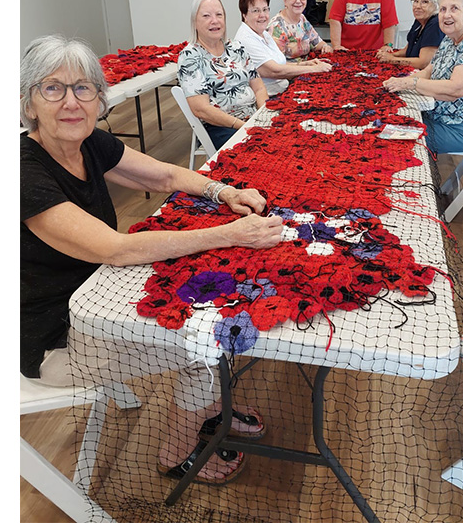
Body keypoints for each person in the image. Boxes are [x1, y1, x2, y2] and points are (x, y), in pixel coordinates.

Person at [20, 34, 284, 484]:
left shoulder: (88, 144)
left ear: (99, 100)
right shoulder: (23, 171)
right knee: (199, 342)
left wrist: (226, 191)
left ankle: (211, 405)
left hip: (98, 294)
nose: (71, 102)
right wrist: (229, 234)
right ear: (29, 104)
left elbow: (163, 173)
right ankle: (176, 453)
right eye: (53, 88)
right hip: (53, 335)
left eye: (83, 89)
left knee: (211, 309)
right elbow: (114, 248)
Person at [381, 0, 463, 154]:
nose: (447, 15)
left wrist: (411, 84)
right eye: (443, 9)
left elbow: (455, 89)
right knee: (387, 122)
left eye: (454, 8)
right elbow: (429, 71)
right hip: (438, 117)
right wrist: (400, 81)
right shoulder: (450, 39)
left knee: (393, 139)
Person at [177, 0, 269, 149]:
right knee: (265, 151)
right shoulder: (190, 56)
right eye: (206, 16)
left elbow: (259, 87)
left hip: (253, 118)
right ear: (195, 22)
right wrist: (242, 126)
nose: (215, 21)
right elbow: (201, 109)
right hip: (221, 127)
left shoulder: (236, 48)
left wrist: (263, 115)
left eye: (219, 14)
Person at [232, 0, 333, 96]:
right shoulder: (247, 39)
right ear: (244, 15)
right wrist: (313, 69)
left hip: (283, 88)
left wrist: (306, 64)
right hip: (269, 96)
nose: (262, 15)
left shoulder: (263, 33)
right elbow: (275, 71)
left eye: (265, 9)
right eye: (256, 11)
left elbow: (281, 63)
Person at [377, 0, 443, 70]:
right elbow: (408, 50)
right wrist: (389, 55)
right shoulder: (420, 20)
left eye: (425, 2)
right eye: (416, 1)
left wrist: (392, 59)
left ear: (436, 5)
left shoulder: (435, 24)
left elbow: (423, 63)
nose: (418, 6)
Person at [266, 0, 333, 61]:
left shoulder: (302, 19)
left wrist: (325, 47)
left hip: (307, 69)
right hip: (289, 72)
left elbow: (317, 42)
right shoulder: (276, 27)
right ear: (285, 0)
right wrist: (309, 66)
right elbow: (277, 66)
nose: (298, 1)